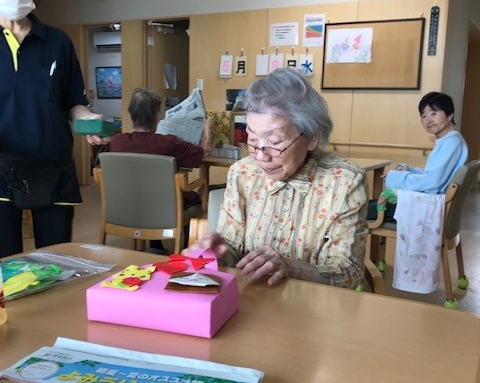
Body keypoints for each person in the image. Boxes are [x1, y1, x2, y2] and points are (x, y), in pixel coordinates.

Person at [189, 67, 369, 289]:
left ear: (312, 137)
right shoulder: (242, 173)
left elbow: (349, 273)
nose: (260, 156)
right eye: (252, 139)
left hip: (316, 305)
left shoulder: (344, 182)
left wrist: (292, 268)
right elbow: (233, 249)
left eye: (274, 142)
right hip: (252, 299)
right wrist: (218, 254)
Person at [0, 0, 105, 258]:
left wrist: (87, 118)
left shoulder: (58, 42)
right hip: (1, 167)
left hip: (54, 168)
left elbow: (73, 101)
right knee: (5, 267)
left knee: (56, 263)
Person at [109, 87, 210, 252]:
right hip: (164, 208)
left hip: (127, 205)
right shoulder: (168, 144)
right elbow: (203, 153)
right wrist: (207, 129)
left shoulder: (117, 142)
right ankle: (185, 249)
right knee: (193, 198)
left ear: (130, 114)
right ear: (157, 116)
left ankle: (156, 245)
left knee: (147, 191)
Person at [367, 91, 468, 220]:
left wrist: (396, 177)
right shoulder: (451, 140)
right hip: (429, 202)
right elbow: (432, 174)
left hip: (424, 207)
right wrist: (408, 170)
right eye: (424, 116)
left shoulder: (451, 143)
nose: (428, 120)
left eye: (433, 113)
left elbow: (433, 183)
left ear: (450, 115)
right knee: (364, 205)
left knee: (357, 209)